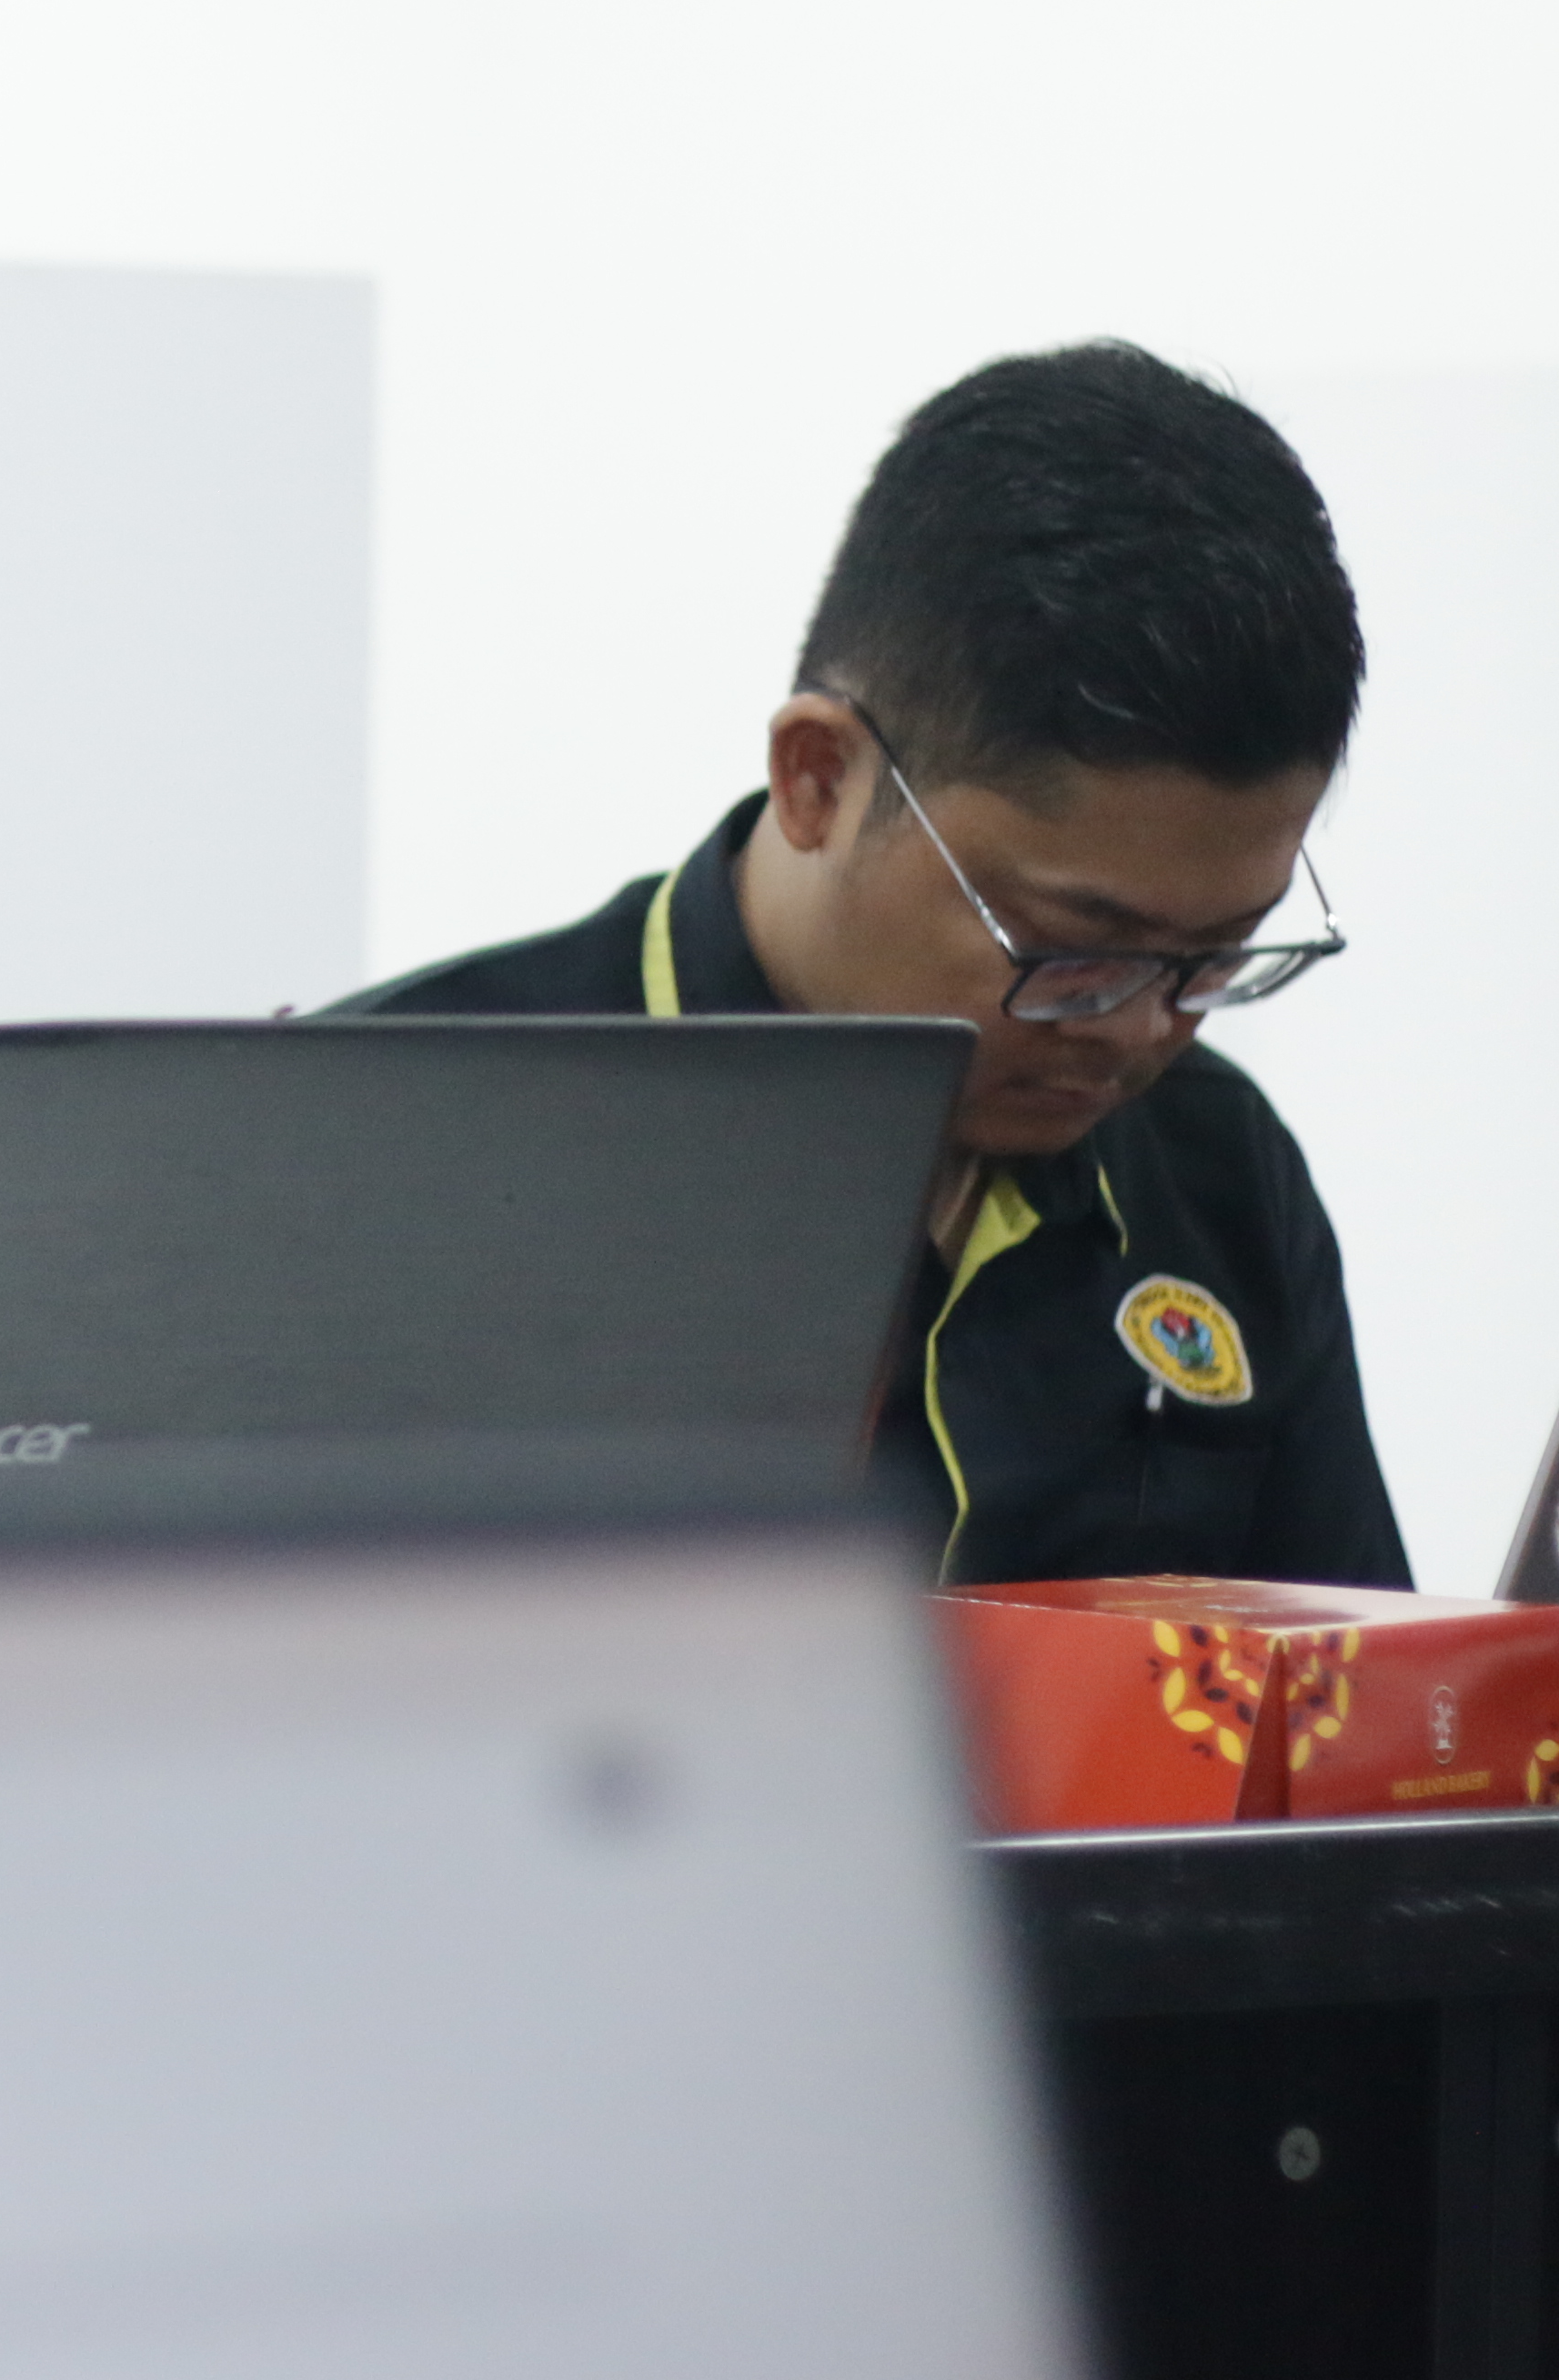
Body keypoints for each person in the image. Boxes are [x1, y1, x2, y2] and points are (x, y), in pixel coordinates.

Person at [335, 342, 1402, 1588]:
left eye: (1215, 958)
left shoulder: (1217, 1172)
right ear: (819, 779)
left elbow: (1367, 1691)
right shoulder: (383, 1146)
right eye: (1071, 950)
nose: (1137, 1033)